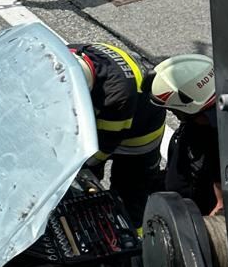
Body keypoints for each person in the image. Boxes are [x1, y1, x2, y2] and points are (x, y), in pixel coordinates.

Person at [71, 40, 166, 228]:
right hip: (111, 123)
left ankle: (137, 246)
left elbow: (100, 149)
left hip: (138, 140)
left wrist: (78, 172)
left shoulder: (116, 95)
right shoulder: (70, 56)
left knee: (130, 200)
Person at [151, 52, 221, 216]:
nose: (174, 114)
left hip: (193, 214)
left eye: (174, 110)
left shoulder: (222, 142)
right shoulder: (197, 125)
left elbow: (221, 206)